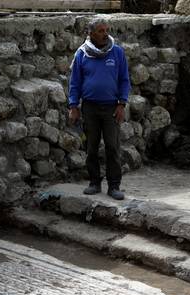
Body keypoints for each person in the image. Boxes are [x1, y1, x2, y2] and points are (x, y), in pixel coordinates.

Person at [67, 18, 131, 200]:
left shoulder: (117, 53)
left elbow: (124, 80)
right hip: (89, 108)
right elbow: (75, 83)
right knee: (91, 147)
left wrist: (122, 104)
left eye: (107, 30)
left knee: (112, 146)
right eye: (101, 31)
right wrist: (73, 105)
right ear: (91, 34)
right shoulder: (82, 54)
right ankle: (94, 182)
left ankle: (114, 186)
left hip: (111, 107)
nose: (105, 34)